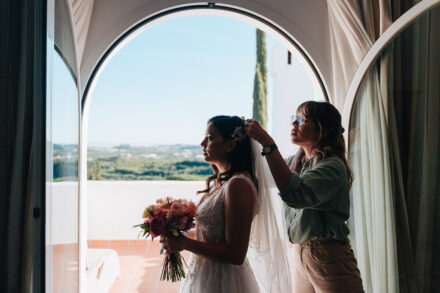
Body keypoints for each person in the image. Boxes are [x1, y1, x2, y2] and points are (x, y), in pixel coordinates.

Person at [162, 115, 292, 293]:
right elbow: (213, 235)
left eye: (210, 138)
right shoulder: (222, 182)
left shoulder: (238, 185)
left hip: (223, 280)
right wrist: (176, 235)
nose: (202, 143)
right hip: (206, 273)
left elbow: (235, 253)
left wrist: (184, 243)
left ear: (230, 145)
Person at [245, 101, 364, 293]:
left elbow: (295, 195)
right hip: (300, 251)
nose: (294, 124)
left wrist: (267, 142)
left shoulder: (332, 167)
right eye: (295, 118)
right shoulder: (297, 162)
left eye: (302, 119)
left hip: (328, 253)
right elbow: (266, 174)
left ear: (322, 130)